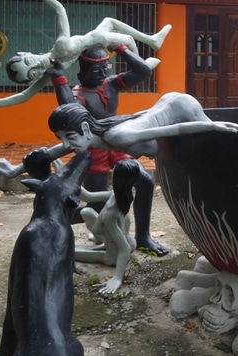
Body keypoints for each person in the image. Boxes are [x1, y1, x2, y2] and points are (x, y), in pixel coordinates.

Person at [0, 0, 171, 112]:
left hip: (96, 44)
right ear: (34, 77)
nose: (36, 66)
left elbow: (59, 9)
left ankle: (150, 46)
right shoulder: (52, 67)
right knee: (121, 35)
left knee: (111, 24)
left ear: (25, 52)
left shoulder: (60, 48)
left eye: (30, 61)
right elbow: (23, 96)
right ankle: (147, 53)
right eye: (32, 73)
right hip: (96, 46)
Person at [46, 45, 168, 255]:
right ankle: (51, 221)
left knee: (145, 183)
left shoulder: (110, 84)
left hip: (117, 142)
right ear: (81, 71)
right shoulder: (78, 95)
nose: (102, 73)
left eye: (106, 67)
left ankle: (143, 237)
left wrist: (121, 48)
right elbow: (70, 112)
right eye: (96, 70)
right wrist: (59, 78)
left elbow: (144, 72)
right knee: (95, 207)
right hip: (95, 149)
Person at [0, 93, 238, 179]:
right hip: (164, 105)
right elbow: (54, 152)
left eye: (69, 137)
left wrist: (216, 125)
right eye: (63, 137)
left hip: (181, 108)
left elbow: (174, 129)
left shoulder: (117, 137)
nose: (67, 145)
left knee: (221, 143)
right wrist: (14, 171)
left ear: (84, 129)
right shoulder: (90, 133)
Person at [75, 159, 140, 295]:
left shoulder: (111, 213)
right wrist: (66, 174)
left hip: (113, 256)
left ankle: (102, 244)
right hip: (129, 240)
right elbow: (87, 196)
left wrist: (117, 278)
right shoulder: (122, 194)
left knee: (68, 250)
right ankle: (102, 242)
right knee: (86, 212)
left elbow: (124, 249)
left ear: (116, 178)